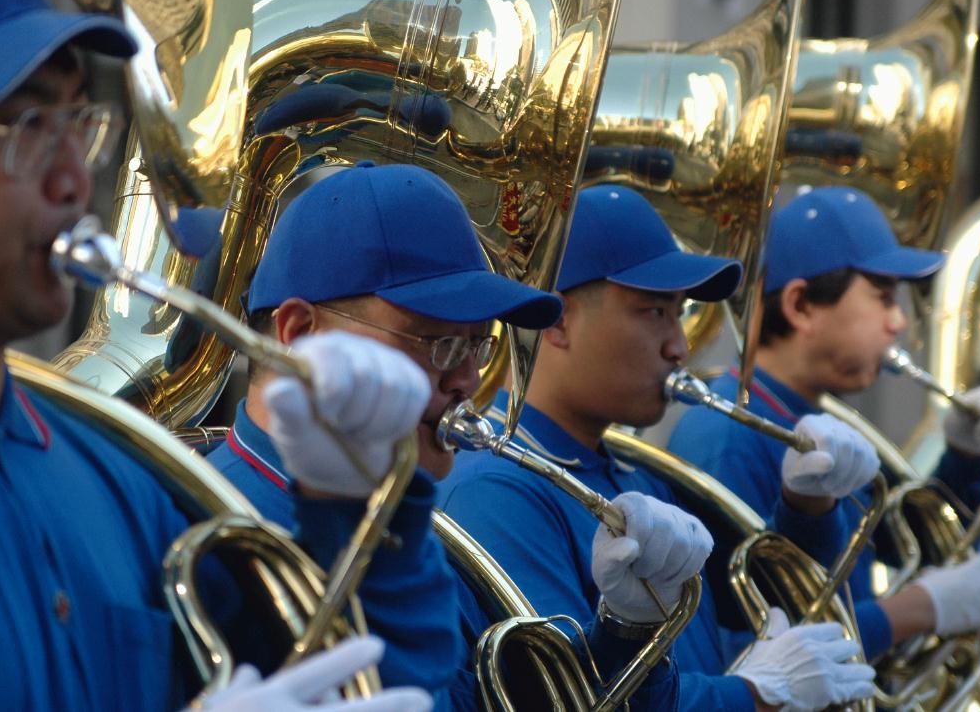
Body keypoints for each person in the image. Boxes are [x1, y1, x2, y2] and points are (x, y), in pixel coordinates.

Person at [0, 0, 432, 710]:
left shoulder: (110, 474)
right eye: (24, 124)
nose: (74, 179)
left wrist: (358, 513)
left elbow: (377, 682)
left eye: (80, 123)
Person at [211, 162, 716, 710]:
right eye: (436, 341)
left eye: (477, 345)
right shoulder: (203, 519)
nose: (470, 379)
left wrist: (624, 637)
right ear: (300, 335)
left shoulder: (407, 523)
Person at [439, 185, 880, 712]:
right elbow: (571, 694)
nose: (680, 346)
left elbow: (764, 602)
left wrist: (807, 506)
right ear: (558, 320)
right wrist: (752, 695)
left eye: (679, 313)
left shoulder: (627, 467)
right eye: (654, 312)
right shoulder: (495, 488)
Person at [670, 185, 980, 660]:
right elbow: (747, 643)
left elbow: (913, 540)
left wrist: (968, 458)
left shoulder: (811, 412)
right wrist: (916, 610)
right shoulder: (729, 434)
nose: (898, 322)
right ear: (801, 306)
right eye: (883, 296)